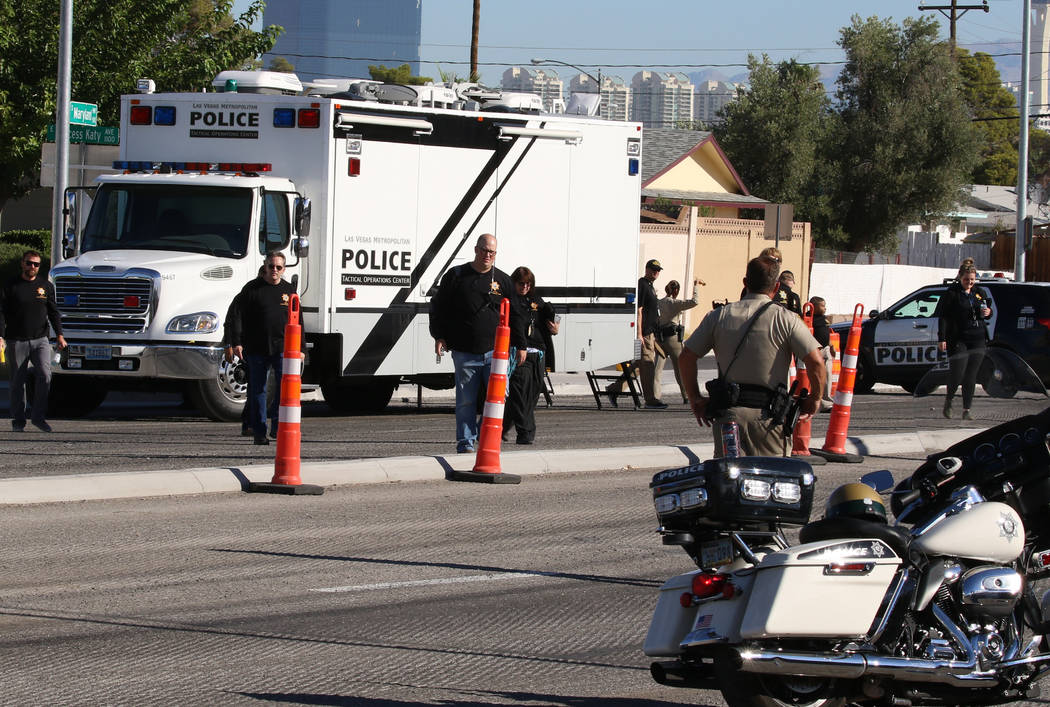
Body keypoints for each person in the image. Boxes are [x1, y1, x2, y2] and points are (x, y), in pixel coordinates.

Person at [678, 255, 825, 457]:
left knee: (728, 480)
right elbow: (816, 362)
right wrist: (815, 398)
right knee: (772, 479)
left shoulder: (719, 316)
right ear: (775, 288)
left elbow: (686, 357)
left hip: (728, 414)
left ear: (745, 283)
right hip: (768, 418)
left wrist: (695, 398)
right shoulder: (786, 319)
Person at [430, 233, 525, 453]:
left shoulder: (503, 281)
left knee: (500, 397)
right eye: (484, 250)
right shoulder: (456, 276)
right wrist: (439, 335)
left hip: (496, 353)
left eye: (492, 252)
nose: (487, 255)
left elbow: (516, 314)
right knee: (466, 401)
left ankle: (485, 434)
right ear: (475, 249)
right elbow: (439, 307)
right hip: (465, 352)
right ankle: (466, 442)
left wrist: (520, 345)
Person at [230, 251, 298, 445]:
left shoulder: (289, 291)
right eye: (271, 266)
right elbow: (237, 316)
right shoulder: (252, 289)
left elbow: (297, 320)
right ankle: (260, 431)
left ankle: (278, 428)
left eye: (278, 267)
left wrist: (301, 350)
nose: (274, 270)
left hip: (282, 348)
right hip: (256, 348)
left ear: (284, 269)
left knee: (283, 390)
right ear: (265, 266)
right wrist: (237, 342)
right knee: (258, 391)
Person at [0, 250, 67, 432]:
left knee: (45, 375)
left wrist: (60, 335)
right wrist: (1, 336)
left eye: (36, 264)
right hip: (16, 340)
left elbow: (53, 312)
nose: (32, 267)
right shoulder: (11, 285)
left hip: (41, 340)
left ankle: (38, 417)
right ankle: (18, 421)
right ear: (22, 263)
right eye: (29, 263)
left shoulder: (45, 286)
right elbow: (2, 313)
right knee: (17, 382)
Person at [502, 266, 558, 444]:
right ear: (514, 283)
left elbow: (552, 313)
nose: (525, 287)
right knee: (519, 393)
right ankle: (526, 433)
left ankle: (497, 428)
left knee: (532, 396)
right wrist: (519, 346)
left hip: (538, 353)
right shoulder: (509, 301)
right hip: (519, 353)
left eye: (528, 283)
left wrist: (556, 327)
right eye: (521, 283)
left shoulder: (535, 300)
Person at [934, 258, 991, 420]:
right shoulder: (952, 293)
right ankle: (949, 399)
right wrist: (942, 338)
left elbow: (987, 310)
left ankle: (967, 409)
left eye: (972, 280)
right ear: (960, 277)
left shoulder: (979, 292)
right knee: (957, 373)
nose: (969, 282)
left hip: (978, 338)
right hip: (959, 338)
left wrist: (989, 312)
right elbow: (943, 317)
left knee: (971, 375)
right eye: (966, 279)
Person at [657, 278, 703, 404]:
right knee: (680, 368)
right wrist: (696, 286)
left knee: (656, 369)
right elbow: (694, 301)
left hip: (659, 338)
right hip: (672, 338)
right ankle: (686, 395)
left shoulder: (659, 302)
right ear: (676, 290)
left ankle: (655, 397)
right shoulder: (675, 303)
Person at [636, 259, 667, 409]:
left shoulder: (650, 286)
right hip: (645, 333)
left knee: (639, 365)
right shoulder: (642, 284)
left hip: (652, 332)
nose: (656, 272)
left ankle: (614, 390)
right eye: (653, 269)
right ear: (647, 269)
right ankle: (650, 399)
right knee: (647, 365)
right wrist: (639, 333)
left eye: (658, 270)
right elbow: (639, 310)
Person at [809, 295, 836, 411]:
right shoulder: (809, 319)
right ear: (814, 307)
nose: (825, 308)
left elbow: (826, 334)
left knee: (828, 375)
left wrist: (831, 346)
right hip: (816, 349)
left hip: (825, 349)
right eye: (822, 306)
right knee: (818, 376)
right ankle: (820, 402)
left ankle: (828, 400)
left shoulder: (824, 319)